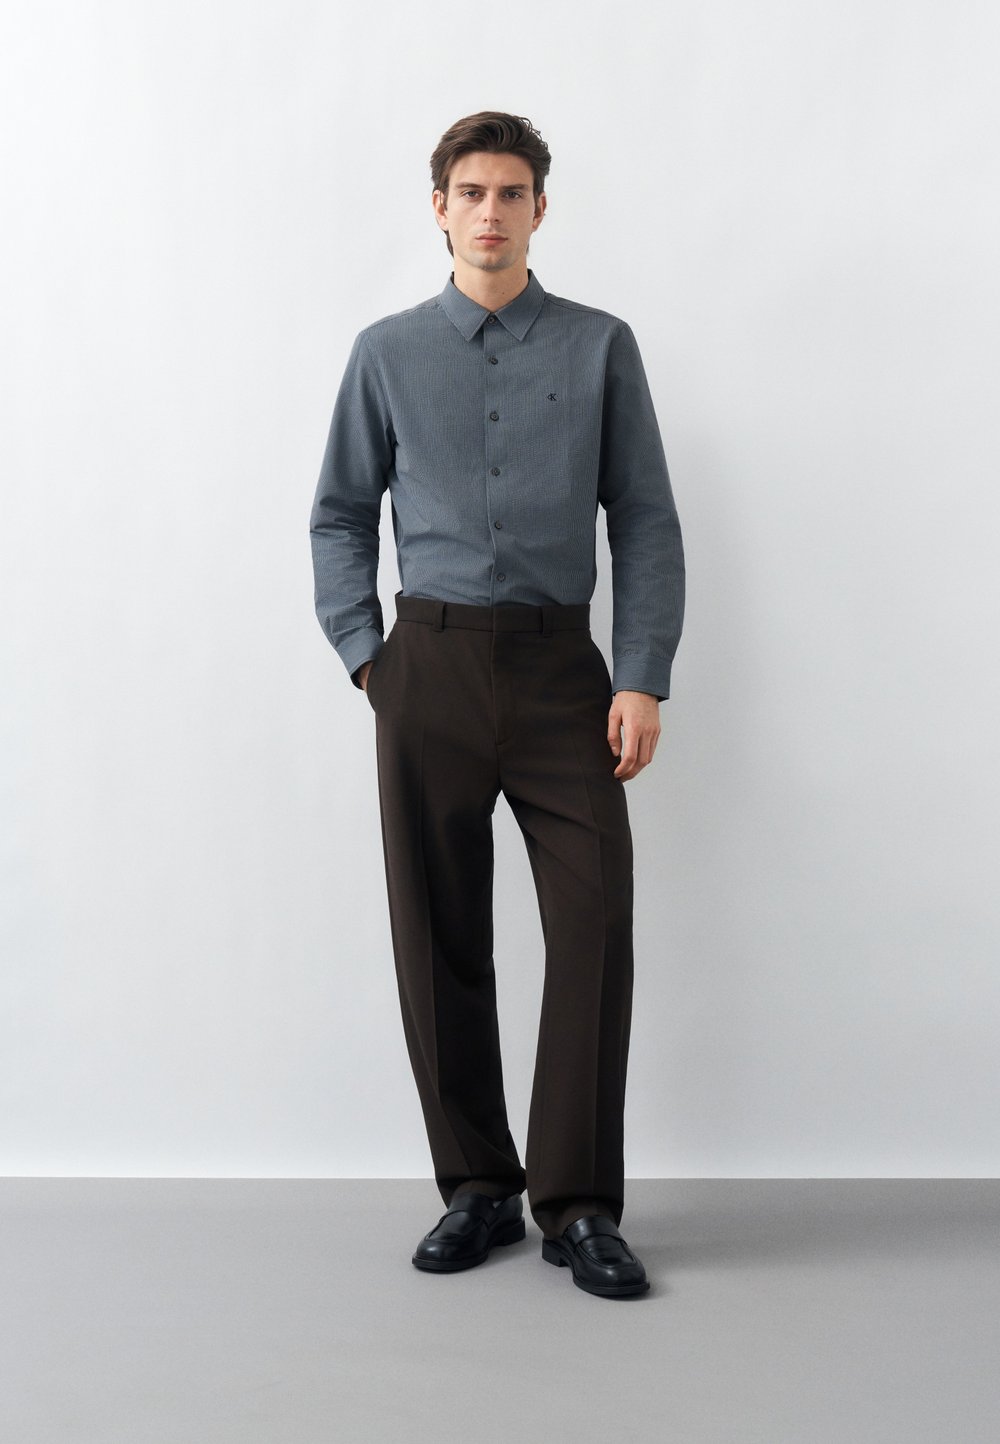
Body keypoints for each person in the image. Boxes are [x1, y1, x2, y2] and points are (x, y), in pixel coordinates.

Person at [309, 111, 684, 1300]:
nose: (489, 210)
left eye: (510, 192)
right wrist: (368, 657)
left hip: (561, 670)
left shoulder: (599, 345)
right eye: (469, 191)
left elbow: (645, 517)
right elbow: (338, 514)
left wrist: (640, 672)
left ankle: (578, 1204)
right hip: (425, 665)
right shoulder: (384, 353)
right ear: (439, 208)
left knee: (594, 922)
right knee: (438, 931)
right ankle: (477, 1185)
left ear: (538, 209)